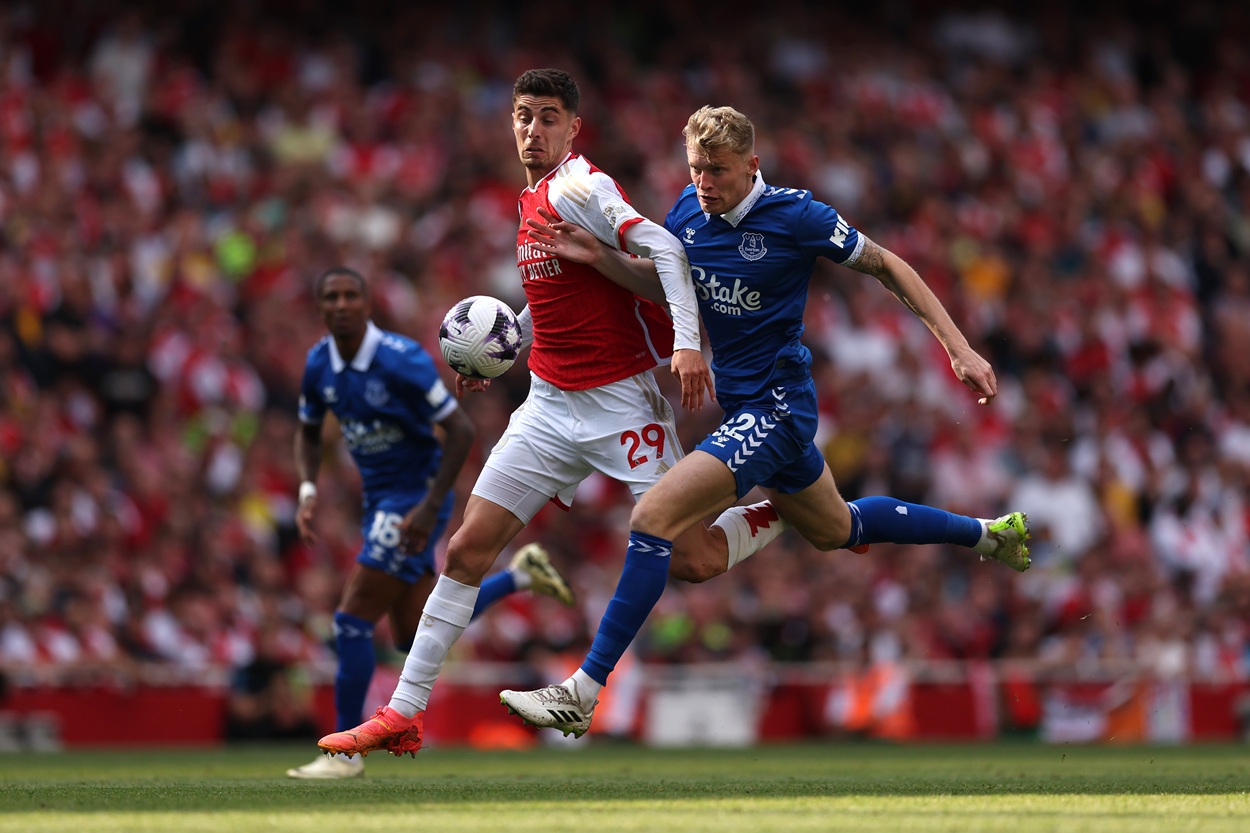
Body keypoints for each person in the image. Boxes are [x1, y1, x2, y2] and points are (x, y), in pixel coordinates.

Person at [498, 104, 1031, 737]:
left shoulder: (796, 215)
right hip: (747, 408)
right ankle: (989, 534)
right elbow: (666, 286)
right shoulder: (687, 214)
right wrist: (598, 258)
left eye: (718, 171)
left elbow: (887, 264)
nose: (704, 183)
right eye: (696, 169)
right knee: (837, 528)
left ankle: (583, 691)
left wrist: (957, 347)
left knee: (651, 520)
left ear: (752, 165)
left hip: (778, 408)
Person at [316, 70, 794, 760]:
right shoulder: (534, 197)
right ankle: (403, 711)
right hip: (546, 404)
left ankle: (782, 508)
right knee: (467, 548)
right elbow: (557, 297)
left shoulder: (582, 187)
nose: (531, 130)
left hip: (620, 403)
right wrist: (498, 343)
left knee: (690, 557)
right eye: (522, 117)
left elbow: (667, 251)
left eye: (547, 118)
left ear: (574, 128)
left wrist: (687, 346)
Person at [285, 266, 575, 779]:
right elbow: (309, 431)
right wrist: (308, 488)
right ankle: (521, 576)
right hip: (380, 500)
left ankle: (345, 754)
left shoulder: (401, 361)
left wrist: (428, 506)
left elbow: (460, 430)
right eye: (332, 296)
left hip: (414, 497)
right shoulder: (318, 365)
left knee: (351, 621)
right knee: (411, 634)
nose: (343, 304)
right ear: (321, 307)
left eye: (353, 294)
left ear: (368, 303)